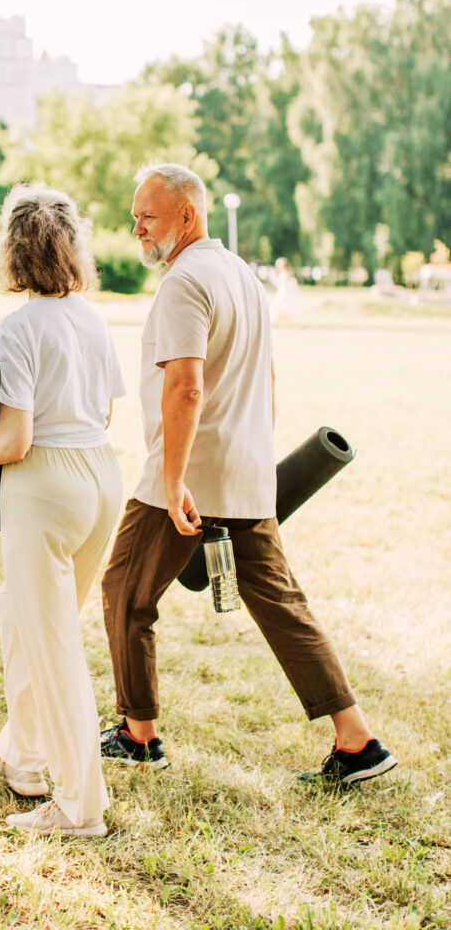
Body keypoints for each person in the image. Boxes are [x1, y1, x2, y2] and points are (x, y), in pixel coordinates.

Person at [99, 163, 397, 785]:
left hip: (187, 476)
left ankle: (139, 734)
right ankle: (357, 741)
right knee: (283, 606)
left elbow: (185, 388)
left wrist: (173, 479)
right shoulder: (240, 274)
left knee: (125, 590)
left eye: (147, 217)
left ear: (187, 216)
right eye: (135, 217)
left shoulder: (184, 283)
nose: (137, 230)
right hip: (245, 473)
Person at [0, 183, 125, 835]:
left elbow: (14, 440)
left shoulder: (18, 326)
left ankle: (79, 809)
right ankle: (21, 757)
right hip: (103, 478)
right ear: (72, 247)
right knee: (19, 615)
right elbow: (102, 412)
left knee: (53, 647)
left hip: (45, 485)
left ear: (13, 251)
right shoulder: (93, 318)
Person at [270, 256, 302, 325]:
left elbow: (279, 284)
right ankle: (299, 322)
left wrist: (272, 277)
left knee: (276, 306)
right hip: (285, 294)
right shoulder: (286, 273)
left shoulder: (284, 274)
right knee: (289, 308)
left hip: (284, 294)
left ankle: (270, 321)